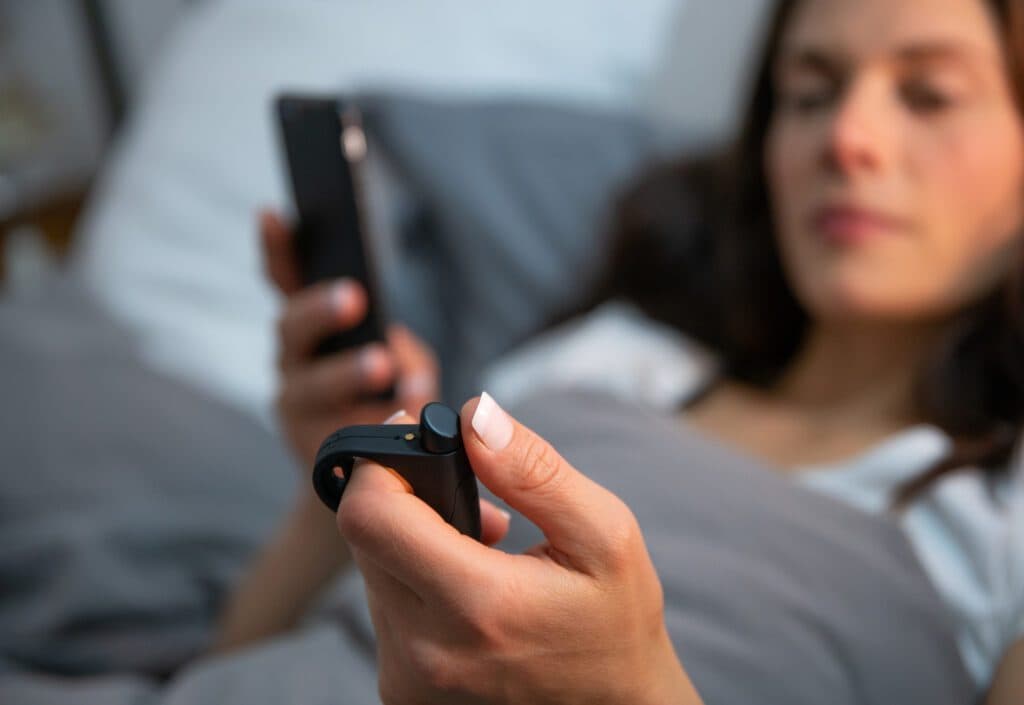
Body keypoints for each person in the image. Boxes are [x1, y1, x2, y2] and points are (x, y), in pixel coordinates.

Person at [214, 0, 1024, 702]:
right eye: (810, 94)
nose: (848, 138)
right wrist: (335, 496)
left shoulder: (1001, 523)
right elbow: (228, 671)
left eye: (929, 95)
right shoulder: (619, 350)